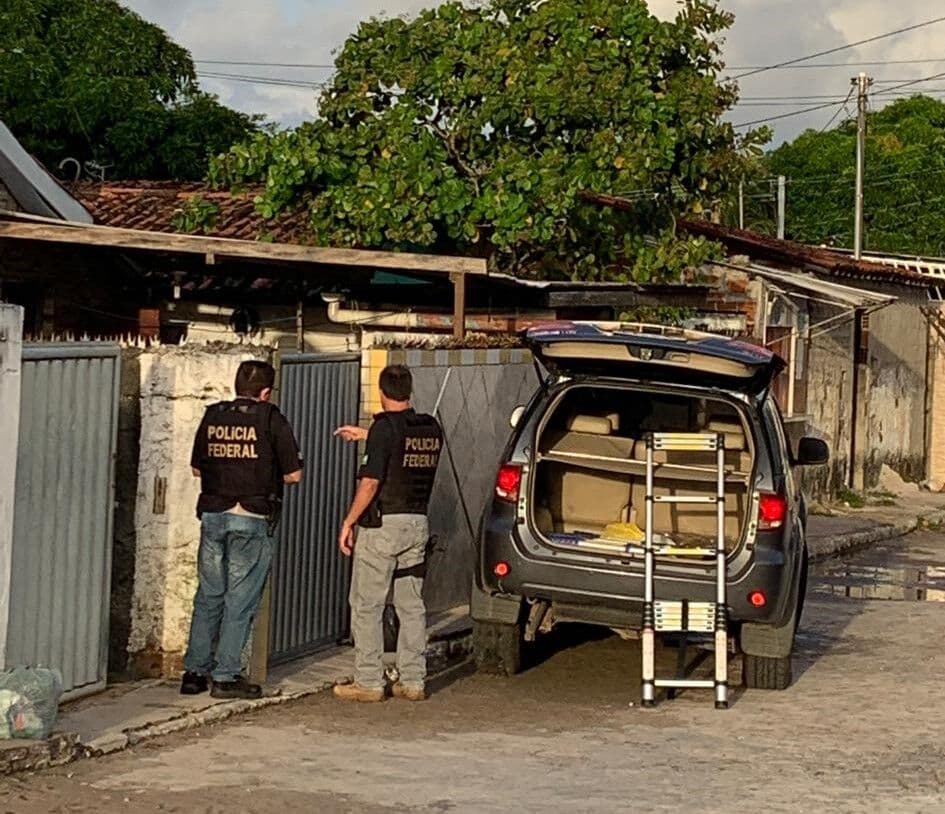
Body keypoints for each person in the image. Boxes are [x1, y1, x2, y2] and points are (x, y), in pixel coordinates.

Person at [181, 360, 303, 700]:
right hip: (250, 517)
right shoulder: (270, 418)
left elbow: (195, 468)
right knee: (240, 600)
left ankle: (194, 673)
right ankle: (225, 675)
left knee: (208, 596)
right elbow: (294, 476)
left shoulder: (213, 415)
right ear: (266, 392)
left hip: (213, 515)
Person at [333, 365, 443, 702]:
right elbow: (403, 444)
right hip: (417, 525)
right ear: (409, 391)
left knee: (366, 605)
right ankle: (413, 681)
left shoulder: (384, 428)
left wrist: (349, 521)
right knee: (410, 605)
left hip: (383, 527)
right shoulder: (431, 427)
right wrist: (367, 435)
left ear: (381, 393)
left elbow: (370, 483)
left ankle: (368, 681)